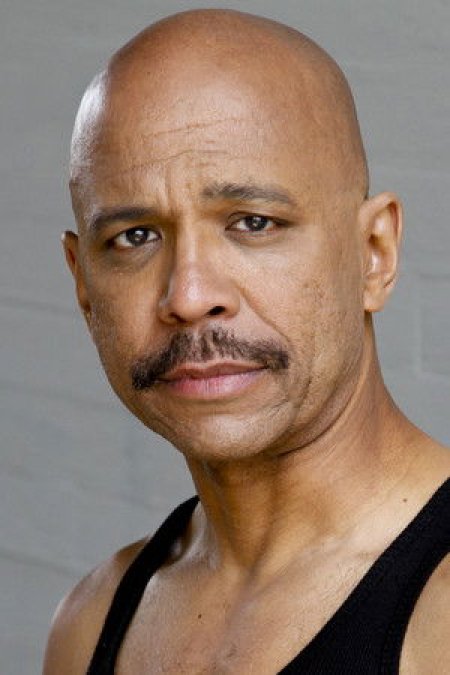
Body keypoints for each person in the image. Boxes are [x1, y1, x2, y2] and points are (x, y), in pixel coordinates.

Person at [43, 8, 449, 674]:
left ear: (373, 255)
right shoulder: (90, 622)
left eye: (254, 222)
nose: (188, 295)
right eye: (135, 237)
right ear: (84, 284)